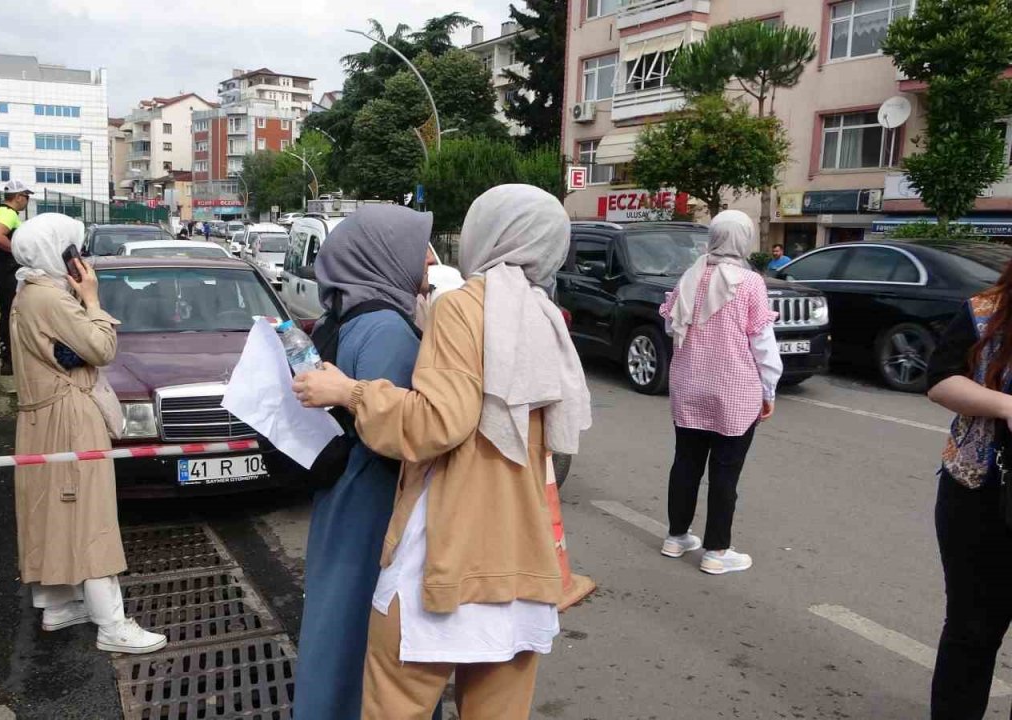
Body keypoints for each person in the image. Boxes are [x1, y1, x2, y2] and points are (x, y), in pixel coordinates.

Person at [293, 184, 590, 719]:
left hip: (446, 556)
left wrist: (350, 392)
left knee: (392, 702)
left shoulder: (463, 309)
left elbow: (437, 422)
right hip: (522, 561)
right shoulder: (545, 317)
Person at [292, 205, 435, 720]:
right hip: (376, 500)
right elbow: (399, 432)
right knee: (365, 623)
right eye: (420, 245)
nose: (429, 256)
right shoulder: (386, 328)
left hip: (341, 492)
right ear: (386, 253)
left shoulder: (342, 313)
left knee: (335, 618)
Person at [9, 213, 166, 655]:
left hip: (43, 419)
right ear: (58, 252)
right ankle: (112, 624)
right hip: (69, 418)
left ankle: (58, 604)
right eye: (72, 249)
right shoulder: (53, 301)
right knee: (91, 516)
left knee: (55, 510)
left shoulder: (28, 292)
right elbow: (102, 349)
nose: (79, 257)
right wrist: (92, 301)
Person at [658, 210, 781, 575]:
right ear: (743, 240)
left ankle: (676, 536)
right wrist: (769, 389)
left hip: (689, 386)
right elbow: (763, 344)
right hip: (734, 391)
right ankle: (716, 550)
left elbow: (670, 326)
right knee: (725, 472)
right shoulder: (750, 283)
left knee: (686, 463)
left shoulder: (690, 277)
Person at [925, 259, 1012, 719]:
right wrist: (1006, 405)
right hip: (979, 493)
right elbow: (939, 379)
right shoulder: (985, 311)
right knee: (971, 632)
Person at [0, 179, 33, 376]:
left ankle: (9, 358)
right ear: (18, 197)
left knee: (7, 313)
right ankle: (10, 361)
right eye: (27, 197)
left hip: (2, 269)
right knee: (12, 314)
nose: (27, 201)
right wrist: (18, 251)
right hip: (8, 271)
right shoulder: (7, 214)